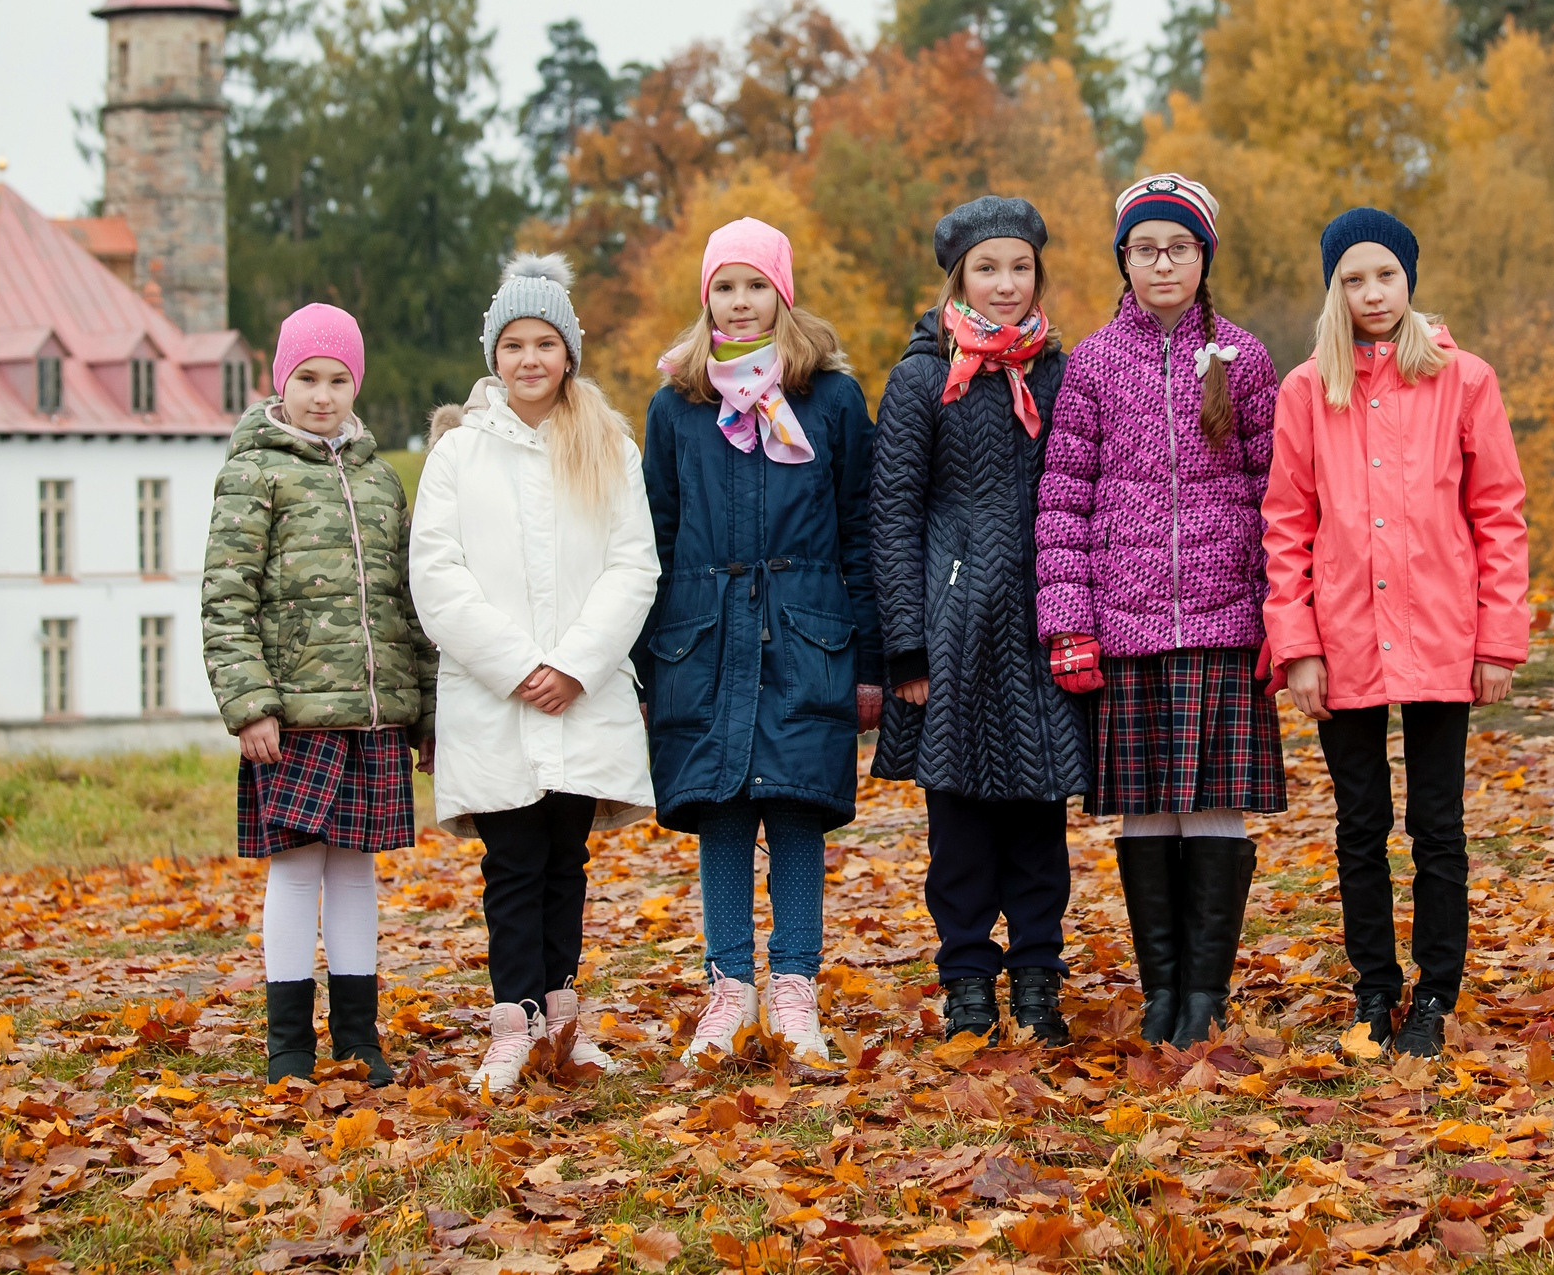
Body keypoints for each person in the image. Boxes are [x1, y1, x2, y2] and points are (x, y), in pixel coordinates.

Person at [1261, 209, 1529, 1057]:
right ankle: (1374, 990)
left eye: (1385, 275)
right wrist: (1297, 644)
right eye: (1354, 279)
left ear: (1409, 278)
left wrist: (1497, 640)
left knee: (1438, 825)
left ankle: (1435, 995)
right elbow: (1285, 523)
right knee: (1359, 824)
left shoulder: (1465, 379)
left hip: (1446, 633)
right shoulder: (1307, 390)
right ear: (1334, 288)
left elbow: (1498, 513)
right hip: (1341, 639)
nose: (1372, 292)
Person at [1036, 172, 1284, 1048]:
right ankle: (1162, 988)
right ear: (1124, 260)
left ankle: (1205, 994)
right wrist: (1069, 621)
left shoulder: (1247, 360)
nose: (1162, 262)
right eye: (1145, 248)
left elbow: (1275, 491)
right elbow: (1064, 497)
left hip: (1226, 619)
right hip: (1127, 622)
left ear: (1203, 257)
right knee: (1147, 806)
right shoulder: (1096, 362)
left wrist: (1278, 611)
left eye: (1178, 247)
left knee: (1214, 801)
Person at [635, 218, 883, 1063]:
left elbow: (862, 530)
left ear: (783, 293)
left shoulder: (834, 399)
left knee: (798, 805)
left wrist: (872, 656)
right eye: (725, 287)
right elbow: (658, 534)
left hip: (806, 633)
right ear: (707, 297)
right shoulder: (677, 406)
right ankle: (729, 983)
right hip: (702, 637)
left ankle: (794, 987)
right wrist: (646, 660)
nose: (740, 302)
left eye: (755, 285)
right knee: (724, 809)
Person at [412, 254, 661, 1095]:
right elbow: (437, 575)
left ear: (568, 354)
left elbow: (634, 565)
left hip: (579, 695)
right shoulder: (458, 455)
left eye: (545, 343)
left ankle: (563, 1019)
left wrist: (575, 664)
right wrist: (521, 666)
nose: (529, 359)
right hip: (497, 698)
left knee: (566, 859)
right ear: (494, 353)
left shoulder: (607, 444)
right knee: (511, 863)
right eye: (514, 343)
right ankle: (511, 1022)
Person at [202, 303, 434, 1086]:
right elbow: (226, 595)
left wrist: (425, 708)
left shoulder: (377, 477)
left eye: (338, 379)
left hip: (371, 712)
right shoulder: (254, 469)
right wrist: (249, 703)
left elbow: (408, 601)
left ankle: (359, 1037)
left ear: (356, 384)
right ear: (282, 379)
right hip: (293, 712)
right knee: (296, 868)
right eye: (307, 377)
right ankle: (288, 1044)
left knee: (356, 871)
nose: (324, 394)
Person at [871, 197, 1085, 1045]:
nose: (1005, 283)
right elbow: (892, 512)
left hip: (1040, 625)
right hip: (952, 628)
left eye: (1020, 267)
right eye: (987, 268)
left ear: (1038, 274)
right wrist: (906, 645)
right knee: (958, 823)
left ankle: (1037, 972)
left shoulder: (1060, 372)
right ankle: (966, 974)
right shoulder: (925, 376)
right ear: (959, 276)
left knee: (1038, 813)